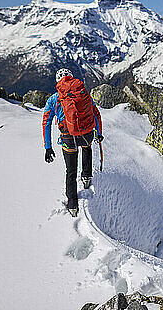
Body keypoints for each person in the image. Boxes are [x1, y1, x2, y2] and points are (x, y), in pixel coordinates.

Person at [42, 68, 103, 217]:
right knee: (86, 148)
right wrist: (99, 133)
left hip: (68, 137)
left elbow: (46, 123)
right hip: (86, 133)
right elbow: (96, 113)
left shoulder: (53, 100)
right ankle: (87, 177)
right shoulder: (83, 94)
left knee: (71, 170)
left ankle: (72, 204)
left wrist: (48, 147)